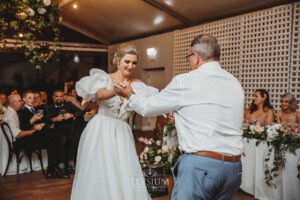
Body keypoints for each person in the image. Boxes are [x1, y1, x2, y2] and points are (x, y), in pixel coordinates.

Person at [114, 34, 244, 200]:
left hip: (201, 166)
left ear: (196, 57)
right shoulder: (234, 83)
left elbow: (147, 108)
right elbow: (211, 112)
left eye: (189, 56)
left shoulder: (186, 81)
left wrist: (130, 95)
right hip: (233, 169)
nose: (189, 60)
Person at [71, 43, 154, 200]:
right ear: (118, 60)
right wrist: (116, 91)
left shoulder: (138, 85)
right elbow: (98, 95)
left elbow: (148, 105)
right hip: (101, 128)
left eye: (134, 63)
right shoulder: (105, 78)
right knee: (101, 170)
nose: (130, 66)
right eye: (127, 62)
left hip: (122, 131)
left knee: (124, 169)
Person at [3, 93, 69, 179]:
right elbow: (18, 135)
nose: (22, 102)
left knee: (55, 138)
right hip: (20, 143)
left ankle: (52, 170)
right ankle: (54, 169)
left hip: (22, 140)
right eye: (20, 101)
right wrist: (34, 129)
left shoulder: (12, 112)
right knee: (54, 139)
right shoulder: (11, 114)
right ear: (13, 103)